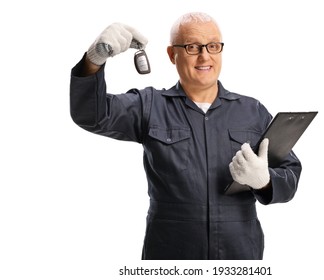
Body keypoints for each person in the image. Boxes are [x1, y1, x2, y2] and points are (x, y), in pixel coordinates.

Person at [69, 12, 302, 260]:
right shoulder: (149, 106)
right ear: (172, 55)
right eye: (192, 47)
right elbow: (91, 115)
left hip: (239, 257)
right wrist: (95, 59)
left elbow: (291, 173)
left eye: (213, 46)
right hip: (170, 257)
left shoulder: (252, 111)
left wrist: (265, 181)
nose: (205, 56)